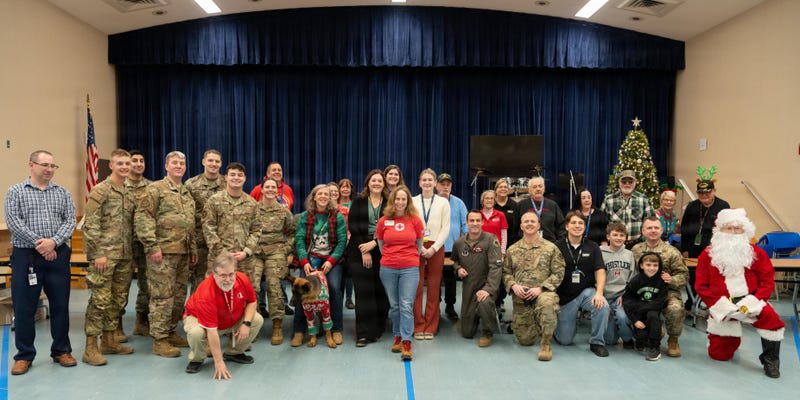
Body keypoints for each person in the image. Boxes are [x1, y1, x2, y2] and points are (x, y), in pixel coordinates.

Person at [5, 150, 77, 375]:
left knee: (60, 306)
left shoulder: (63, 193)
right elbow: (13, 222)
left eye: (53, 166)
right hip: (26, 256)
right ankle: (24, 355)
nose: (49, 169)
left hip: (57, 255)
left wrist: (53, 243)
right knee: (25, 307)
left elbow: (70, 220)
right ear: (31, 165)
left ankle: (61, 350)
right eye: (44, 165)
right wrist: (41, 245)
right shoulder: (16, 192)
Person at [694, 209, 784, 378]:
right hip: (722, 304)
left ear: (745, 231)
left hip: (752, 301)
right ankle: (726, 340)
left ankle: (770, 360)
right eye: (729, 228)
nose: (734, 232)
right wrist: (721, 306)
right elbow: (701, 285)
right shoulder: (707, 255)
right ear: (720, 230)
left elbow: (767, 281)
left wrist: (754, 301)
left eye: (738, 228)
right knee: (719, 355)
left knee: (772, 321)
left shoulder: (756, 253)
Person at [135, 150, 198, 358]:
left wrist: (193, 250)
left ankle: (170, 332)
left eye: (182, 163)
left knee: (178, 296)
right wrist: (152, 246)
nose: (179, 166)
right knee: (162, 297)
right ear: (166, 166)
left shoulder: (186, 193)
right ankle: (160, 340)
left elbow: (191, 225)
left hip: (183, 253)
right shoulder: (155, 189)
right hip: (162, 253)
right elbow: (144, 218)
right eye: (175, 163)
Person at [81, 149, 136, 366]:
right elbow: (91, 224)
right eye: (120, 163)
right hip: (104, 257)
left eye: (127, 163)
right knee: (100, 301)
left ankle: (110, 341)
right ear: (111, 165)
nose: (124, 167)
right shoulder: (100, 190)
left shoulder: (130, 191)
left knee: (118, 299)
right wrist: (98, 254)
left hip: (124, 256)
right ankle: (90, 347)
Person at [183, 252, 263, 378]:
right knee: (196, 333)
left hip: (228, 316)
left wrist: (246, 324)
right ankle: (197, 359)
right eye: (223, 276)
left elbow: (252, 302)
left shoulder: (242, 279)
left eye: (231, 274)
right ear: (214, 275)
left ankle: (233, 353)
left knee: (257, 319)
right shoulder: (206, 293)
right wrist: (219, 362)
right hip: (200, 319)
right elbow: (212, 331)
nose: (228, 279)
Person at [290, 184, 347, 347]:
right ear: (313, 197)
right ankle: (299, 330)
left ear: (330, 198)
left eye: (326, 194)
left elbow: (342, 241)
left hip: (331, 260)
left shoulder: (337, 216)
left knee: (335, 288)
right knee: (301, 289)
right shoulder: (305, 216)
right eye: (319, 194)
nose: (323, 196)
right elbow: (300, 240)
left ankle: (336, 329)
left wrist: (331, 261)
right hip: (310, 259)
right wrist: (304, 261)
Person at [503, 211, 565, 361]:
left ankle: (546, 343)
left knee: (547, 304)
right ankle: (537, 324)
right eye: (526, 221)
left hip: (543, 292)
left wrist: (541, 288)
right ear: (521, 226)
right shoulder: (512, 250)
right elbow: (506, 272)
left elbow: (559, 272)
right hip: (521, 296)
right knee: (525, 341)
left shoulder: (550, 248)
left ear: (538, 225)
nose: (529, 224)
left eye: (533, 221)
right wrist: (513, 285)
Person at [376, 185, 424, 361]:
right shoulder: (383, 221)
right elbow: (381, 244)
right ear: (392, 200)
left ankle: (406, 341)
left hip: (409, 268)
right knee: (395, 305)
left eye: (404, 199)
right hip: (388, 267)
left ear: (408, 201)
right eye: (397, 198)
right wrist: (391, 257)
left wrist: (409, 257)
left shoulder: (415, 220)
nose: (400, 202)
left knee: (405, 304)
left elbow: (419, 243)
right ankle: (396, 335)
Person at [553, 211, 611, 357]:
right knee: (564, 340)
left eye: (581, 223)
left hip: (586, 292)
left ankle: (597, 342)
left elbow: (600, 270)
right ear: (567, 226)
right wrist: (554, 299)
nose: (577, 226)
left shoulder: (593, 247)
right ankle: (558, 328)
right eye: (573, 223)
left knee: (602, 305)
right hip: (564, 298)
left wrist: (599, 293)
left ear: (585, 227)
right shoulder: (556, 247)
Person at [631, 216, 688, 357]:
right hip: (643, 292)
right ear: (643, 231)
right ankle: (654, 331)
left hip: (667, 292)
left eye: (656, 228)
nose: (653, 231)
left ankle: (673, 340)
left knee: (675, 309)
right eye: (649, 228)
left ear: (661, 230)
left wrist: (672, 279)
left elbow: (684, 275)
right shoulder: (636, 250)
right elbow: (632, 273)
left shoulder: (672, 251)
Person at [345, 170, 390, 347]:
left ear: (384, 184)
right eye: (374, 180)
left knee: (380, 292)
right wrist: (365, 250)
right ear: (368, 183)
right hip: (359, 250)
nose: (377, 183)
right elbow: (353, 225)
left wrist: (375, 243)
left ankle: (377, 329)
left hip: (383, 251)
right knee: (364, 294)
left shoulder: (389, 203)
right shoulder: (358, 201)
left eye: (380, 181)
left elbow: (390, 226)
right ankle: (363, 334)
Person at [202, 163, 261, 292]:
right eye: (232, 174)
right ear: (226, 177)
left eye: (240, 175)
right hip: (219, 259)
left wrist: (246, 251)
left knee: (247, 294)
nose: (236, 178)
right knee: (215, 294)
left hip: (244, 261)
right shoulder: (214, 201)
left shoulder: (252, 203)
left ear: (245, 178)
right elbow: (208, 228)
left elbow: (256, 230)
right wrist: (223, 253)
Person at [253, 177, 296, 345]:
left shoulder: (283, 211)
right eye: (267, 187)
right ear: (261, 190)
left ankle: (277, 325)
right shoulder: (253, 209)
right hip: (255, 252)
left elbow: (292, 233)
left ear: (277, 191)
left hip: (276, 252)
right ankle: (252, 324)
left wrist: (285, 250)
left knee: (274, 285)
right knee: (252, 286)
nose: (270, 190)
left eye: (273, 187)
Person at [452, 210, 503, 347]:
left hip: (487, 285)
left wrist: (488, 289)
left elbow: (496, 267)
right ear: (467, 223)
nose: (475, 223)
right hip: (469, 287)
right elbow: (454, 261)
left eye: (477, 221)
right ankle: (472, 318)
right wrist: (458, 269)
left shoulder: (491, 240)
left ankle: (487, 333)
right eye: (472, 221)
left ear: (482, 222)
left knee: (484, 302)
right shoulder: (459, 243)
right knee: (466, 333)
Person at [680, 173, 730, 310]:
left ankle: (712, 304)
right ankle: (691, 302)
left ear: (714, 191)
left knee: (713, 279)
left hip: (714, 250)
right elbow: (684, 229)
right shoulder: (692, 206)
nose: (704, 196)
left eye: (707, 192)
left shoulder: (723, 206)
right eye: (700, 193)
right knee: (693, 277)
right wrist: (684, 249)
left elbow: (727, 230)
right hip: (693, 249)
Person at [411, 168, 451, 339]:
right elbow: (410, 225)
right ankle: (418, 324)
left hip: (436, 245)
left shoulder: (443, 203)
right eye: (424, 180)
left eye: (430, 180)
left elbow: (446, 227)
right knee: (416, 286)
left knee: (434, 287)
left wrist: (434, 248)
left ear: (435, 183)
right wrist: (420, 246)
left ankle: (431, 325)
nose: (427, 183)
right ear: (419, 183)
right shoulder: (412, 202)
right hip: (416, 245)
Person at [185, 149, 225, 294]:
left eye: (217, 161)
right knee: (199, 279)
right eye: (210, 160)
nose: (213, 164)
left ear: (220, 164)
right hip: (200, 240)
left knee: (222, 277)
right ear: (203, 162)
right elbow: (187, 214)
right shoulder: (191, 184)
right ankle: (196, 310)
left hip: (221, 239)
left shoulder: (227, 183)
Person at [622, 252, 668, 361]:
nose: (652, 268)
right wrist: (634, 320)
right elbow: (627, 300)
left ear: (659, 266)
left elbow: (660, 302)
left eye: (655, 265)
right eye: (648, 265)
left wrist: (641, 308)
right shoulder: (636, 281)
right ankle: (641, 339)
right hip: (637, 311)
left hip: (652, 309)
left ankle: (655, 347)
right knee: (640, 333)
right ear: (642, 265)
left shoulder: (662, 281)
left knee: (653, 316)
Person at [126, 150, 153, 337]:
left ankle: (142, 321)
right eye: (134, 160)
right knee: (121, 285)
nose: (138, 163)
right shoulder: (119, 186)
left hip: (144, 244)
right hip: (123, 243)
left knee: (146, 284)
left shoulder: (151, 187)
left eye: (141, 160)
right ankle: (114, 328)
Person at [436, 172, 468, 321]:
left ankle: (450, 306)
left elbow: (465, 225)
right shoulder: (432, 201)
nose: (445, 186)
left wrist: (465, 244)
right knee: (434, 279)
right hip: (434, 248)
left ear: (451, 186)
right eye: (442, 184)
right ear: (437, 186)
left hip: (452, 249)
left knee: (451, 280)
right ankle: (434, 306)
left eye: (448, 184)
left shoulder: (459, 203)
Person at [601, 222, 637, 349]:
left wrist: (626, 295)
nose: (618, 238)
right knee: (610, 341)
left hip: (621, 296)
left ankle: (628, 339)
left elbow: (632, 279)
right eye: (615, 235)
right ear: (608, 236)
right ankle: (612, 331)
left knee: (622, 317)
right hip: (604, 296)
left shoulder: (629, 254)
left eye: (622, 235)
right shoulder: (600, 252)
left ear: (625, 238)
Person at [600, 170, 655, 248]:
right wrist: (604, 242)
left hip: (637, 245)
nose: (627, 184)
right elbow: (601, 224)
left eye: (630, 182)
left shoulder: (644, 199)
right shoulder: (609, 199)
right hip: (614, 245)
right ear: (619, 182)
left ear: (635, 183)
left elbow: (651, 222)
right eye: (624, 181)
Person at [492, 178, 517, 313]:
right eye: (500, 187)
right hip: (492, 247)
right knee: (495, 274)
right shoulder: (491, 205)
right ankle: (495, 300)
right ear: (495, 190)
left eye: (505, 187)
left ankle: (501, 299)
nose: (503, 189)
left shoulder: (514, 206)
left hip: (510, 245)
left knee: (505, 274)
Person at [515, 176, 564, 243]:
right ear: (529, 190)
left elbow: (561, 226)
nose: (538, 189)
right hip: (526, 246)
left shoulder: (553, 205)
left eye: (540, 186)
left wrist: (559, 242)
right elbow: (514, 228)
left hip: (549, 245)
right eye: (535, 187)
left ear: (544, 189)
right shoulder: (521, 205)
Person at [337, 178, 356, 309]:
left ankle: (349, 298)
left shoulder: (355, 204)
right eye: (342, 187)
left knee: (349, 272)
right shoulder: (334, 205)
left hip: (352, 241)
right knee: (339, 273)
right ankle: (338, 298)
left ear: (351, 190)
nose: (345, 189)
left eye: (347, 187)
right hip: (337, 242)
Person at [479, 190, 508, 254]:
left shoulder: (500, 215)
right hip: (480, 250)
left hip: (496, 249)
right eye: (487, 198)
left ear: (494, 201)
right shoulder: (478, 215)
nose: (489, 200)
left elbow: (504, 235)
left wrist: (502, 252)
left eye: (491, 198)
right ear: (482, 201)